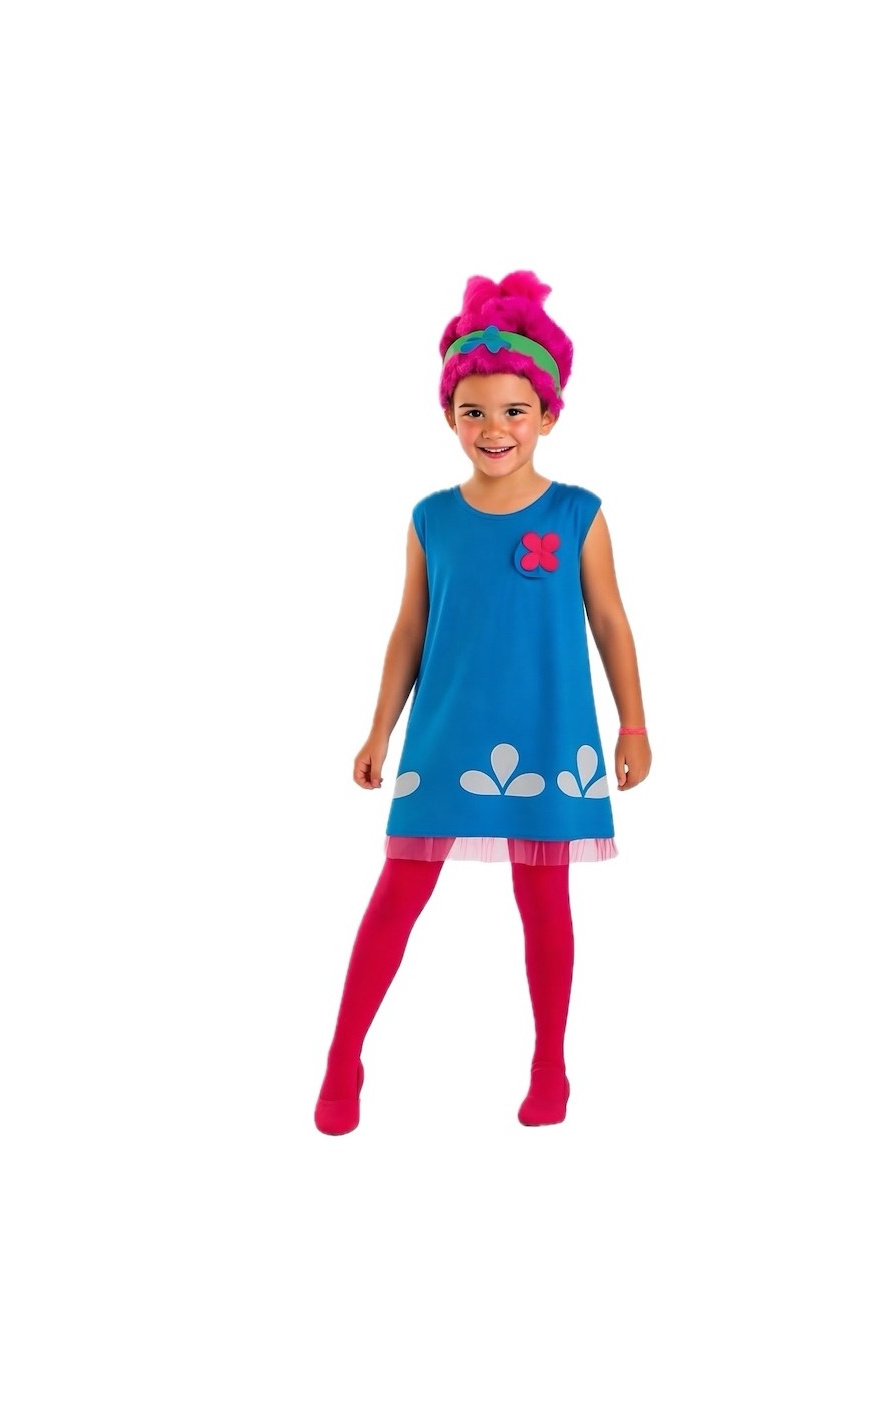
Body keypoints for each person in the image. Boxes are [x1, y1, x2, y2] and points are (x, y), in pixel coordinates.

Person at [314, 270, 651, 1134]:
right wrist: (379, 730)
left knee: (545, 902)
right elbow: (409, 629)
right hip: (448, 731)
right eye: (475, 411)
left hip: (546, 730)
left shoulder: (579, 513)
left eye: (513, 411)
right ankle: (343, 1056)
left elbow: (610, 621)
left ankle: (550, 1065)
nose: (495, 428)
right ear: (449, 416)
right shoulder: (432, 517)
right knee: (398, 890)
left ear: (548, 415)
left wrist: (634, 723)